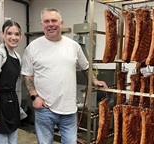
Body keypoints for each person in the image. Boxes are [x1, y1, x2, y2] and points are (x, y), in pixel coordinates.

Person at [21, 8, 108, 144]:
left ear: (61, 23)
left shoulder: (73, 46)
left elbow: (85, 67)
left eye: (54, 20)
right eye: (47, 21)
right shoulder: (33, 47)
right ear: (42, 25)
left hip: (69, 110)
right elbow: (27, 76)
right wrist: (35, 97)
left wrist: (95, 80)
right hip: (45, 109)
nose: (51, 24)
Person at [0, 20, 26, 144]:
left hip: (12, 104)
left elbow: (17, 86)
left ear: (21, 35)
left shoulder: (18, 57)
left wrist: (18, 109)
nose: (13, 37)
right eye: (9, 33)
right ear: (2, 34)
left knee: (12, 141)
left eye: (17, 34)